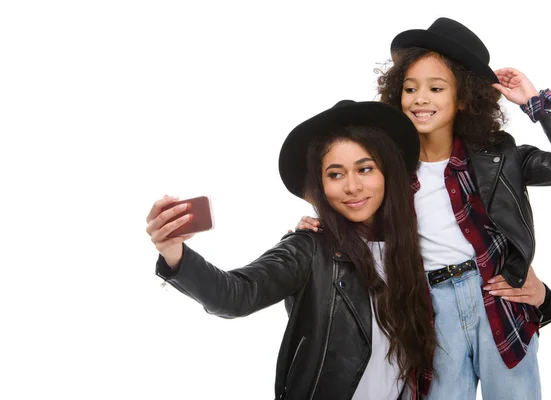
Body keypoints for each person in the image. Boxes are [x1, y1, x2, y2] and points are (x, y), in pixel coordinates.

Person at [295, 17, 551, 400]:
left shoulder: (497, 157)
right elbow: (356, 214)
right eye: (410, 88)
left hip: (497, 301)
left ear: (464, 97)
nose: (420, 99)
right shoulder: (390, 173)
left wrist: (535, 102)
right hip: (432, 312)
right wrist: (318, 227)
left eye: (436, 88)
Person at [146, 100, 438, 400]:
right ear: (320, 185)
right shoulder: (310, 247)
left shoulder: (413, 250)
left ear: (387, 173)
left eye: (365, 169)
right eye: (335, 174)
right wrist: (173, 252)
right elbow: (235, 295)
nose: (352, 186)